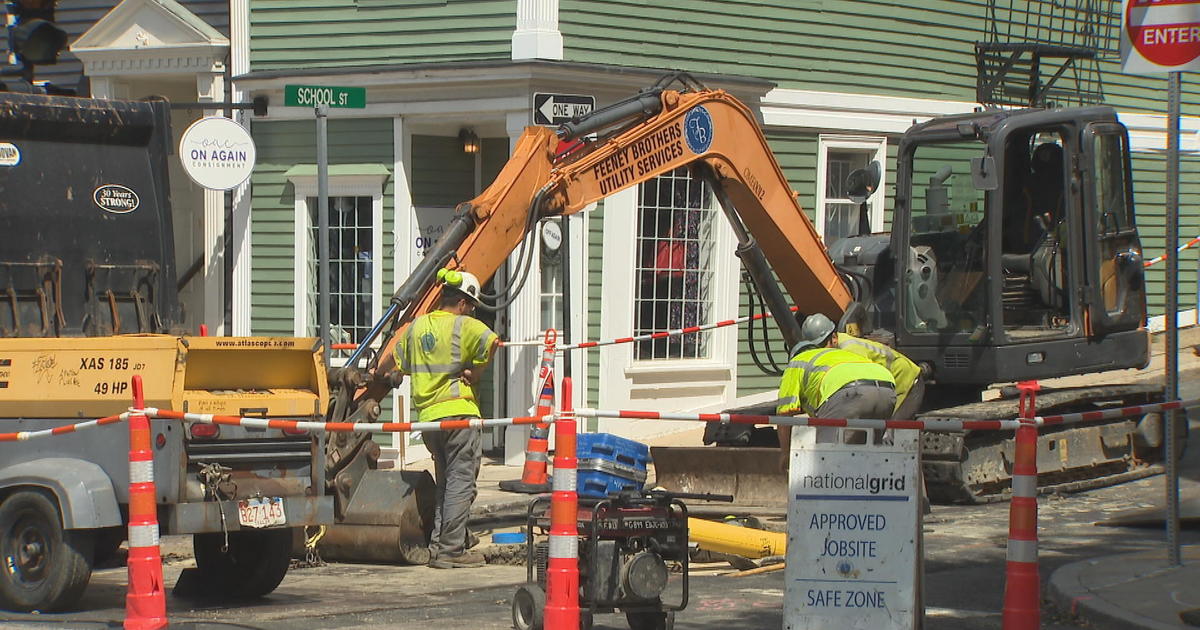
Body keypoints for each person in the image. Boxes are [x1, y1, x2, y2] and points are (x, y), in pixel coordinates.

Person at [394, 268, 499, 569]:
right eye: (472, 306)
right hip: (458, 414)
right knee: (461, 482)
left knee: (447, 483)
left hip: (430, 421)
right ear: (464, 303)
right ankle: (453, 549)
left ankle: (440, 546)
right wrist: (475, 372)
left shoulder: (415, 327)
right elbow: (491, 341)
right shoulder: (464, 324)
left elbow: (399, 360)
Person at [776, 313, 897, 450]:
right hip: (887, 388)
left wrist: (785, 454)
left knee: (825, 455)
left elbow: (784, 416)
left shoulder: (797, 362)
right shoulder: (844, 353)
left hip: (849, 392)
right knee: (872, 451)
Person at [827, 320, 926, 420]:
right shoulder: (841, 343)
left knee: (894, 429)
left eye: (824, 344)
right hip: (892, 383)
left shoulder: (850, 350)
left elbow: (861, 386)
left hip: (907, 380)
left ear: (834, 337)